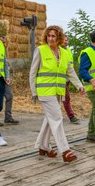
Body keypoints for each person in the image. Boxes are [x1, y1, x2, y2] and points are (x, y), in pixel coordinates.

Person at [29, 25, 85, 162]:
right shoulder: (40, 50)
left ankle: (43, 146)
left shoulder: (64, 53)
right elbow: (32, 72)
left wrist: (79, 85)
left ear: (59, 38)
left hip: (58, 92)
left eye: (53, 36)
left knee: (50, 119)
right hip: (45, 92)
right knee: (57, 118)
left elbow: (70, 71)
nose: (50, 38)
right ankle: (65, 150)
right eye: (48, 36)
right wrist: (33, 92)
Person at [0, 35, 19, 125]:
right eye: (2, 42)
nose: (4, 43)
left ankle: (8, 117)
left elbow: (5, 64)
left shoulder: (3, 51)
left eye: (5, 42)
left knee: (9, 96)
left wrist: (8, 76)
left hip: (5, 78)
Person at [62, 35, 80, 124]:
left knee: (65, 97)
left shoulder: (68, 50)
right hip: (60, 79)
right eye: (64, 40)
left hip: (68, 78)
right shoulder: (57, 51)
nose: (66, 42)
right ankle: (71, 116)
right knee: (66, 97)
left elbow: (70, 66)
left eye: (66, 40)